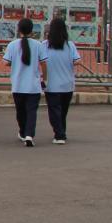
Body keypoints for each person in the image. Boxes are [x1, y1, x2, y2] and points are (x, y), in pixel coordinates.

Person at [4, 17, 48, 147]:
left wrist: (15, 63)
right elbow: (44, 63)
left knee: (20, 112)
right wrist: (44, 79)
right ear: (32, 30)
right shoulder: (38, 45)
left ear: (19, 30)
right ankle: (29, 135)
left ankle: (23, 132)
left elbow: (6, 62)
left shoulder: (12, 45)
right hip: (33, 85)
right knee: (31, 111)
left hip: (17, 85)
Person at [42, 17, 80, 145]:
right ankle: (62, 131)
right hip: (67, 84)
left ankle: (59, 134)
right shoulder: (70, 45)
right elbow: (77, 61)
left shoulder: (44, 45)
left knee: (54, 110)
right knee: (63, 111)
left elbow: (40, 61)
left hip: (51, 85)